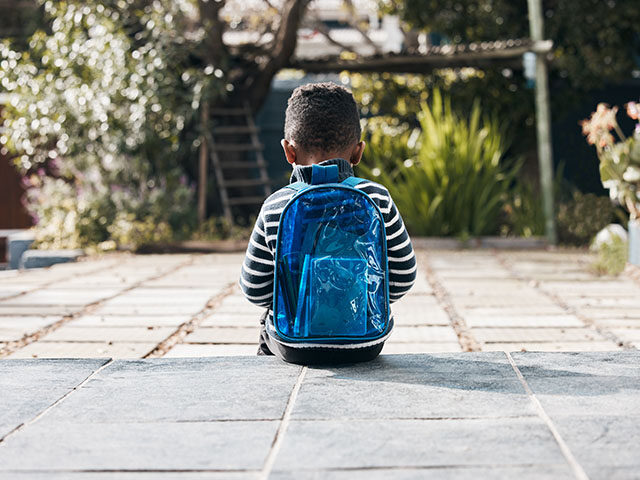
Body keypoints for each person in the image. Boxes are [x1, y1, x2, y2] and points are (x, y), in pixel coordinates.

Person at [240, 82, 416, 364]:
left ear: (289, 152)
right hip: (366, 342)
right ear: (358, 153)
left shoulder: (276, 204)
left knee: (267, 325)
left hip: (295, 346)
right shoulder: (378, 198)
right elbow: (404, 277)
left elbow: (255, 289)